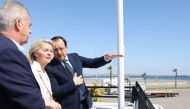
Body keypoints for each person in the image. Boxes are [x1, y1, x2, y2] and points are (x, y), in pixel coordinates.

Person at [45, 36, 123, 109]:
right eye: (55, 50)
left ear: (66, 47)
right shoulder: (50, 67)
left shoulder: (75, 57)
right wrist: (73, 83)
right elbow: (56, 92)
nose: (59, 52)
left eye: (61, 48)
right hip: (69, 106)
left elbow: (92, 63)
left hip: (86, 103)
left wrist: (106, 58)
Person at [0, 0, 45, 109]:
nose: (31, 32)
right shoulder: (8, 52)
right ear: (18, 23)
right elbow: (32, 103)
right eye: (29, 26)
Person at [28, 40, 62, 109]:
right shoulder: (31, 70)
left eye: (51, 51)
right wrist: (46, 103)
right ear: (35, 53)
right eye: (46, 50)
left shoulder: (44, 70)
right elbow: (27, 96)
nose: (49, 53)